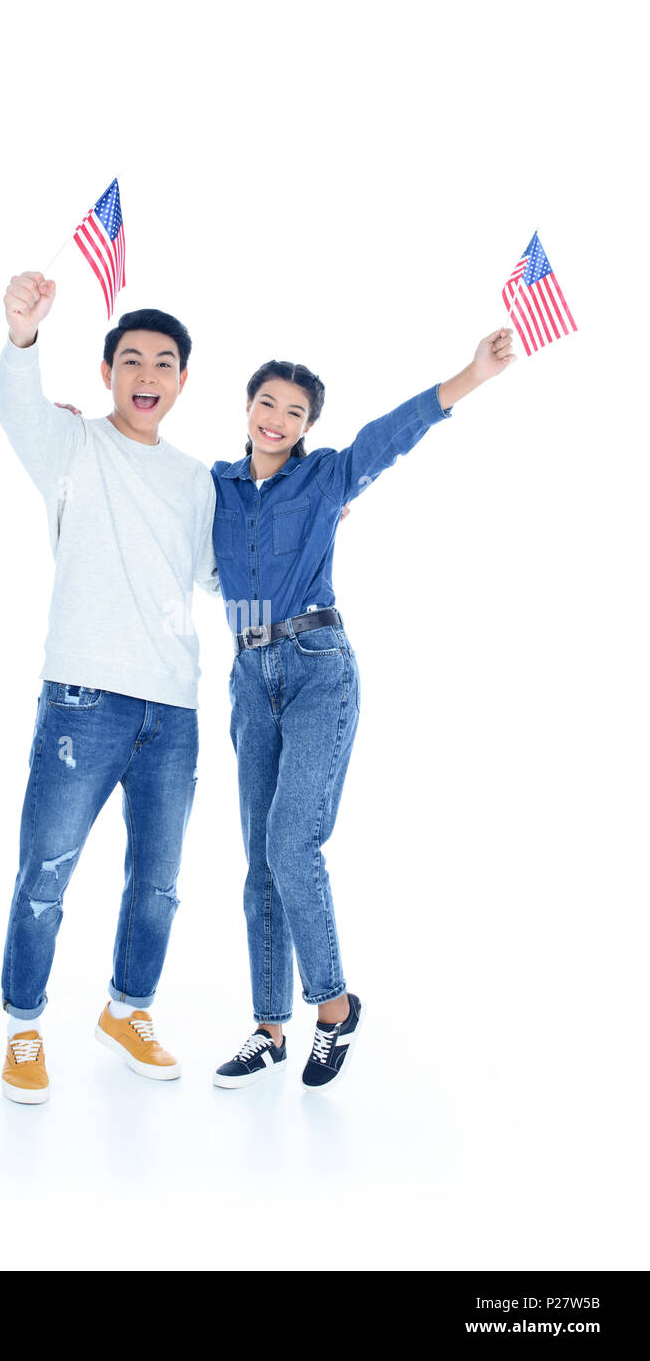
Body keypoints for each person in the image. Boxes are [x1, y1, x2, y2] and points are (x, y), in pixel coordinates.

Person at [209, 329, 516, 1092]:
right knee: (259, 864)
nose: (276, 418)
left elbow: (394, 434)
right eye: (266, 403)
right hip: (248, 674)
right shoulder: (212, 485)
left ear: (308, 423)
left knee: (290, 843)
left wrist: (470, 374)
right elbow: (151, 505)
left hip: (317, 667)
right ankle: (269, 1030)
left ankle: (335, 1007)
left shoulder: (325, 479)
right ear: (246, 408)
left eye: (293, 410)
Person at [0, 271, 220, 1103]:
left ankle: (129, 1010)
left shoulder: (196, 479)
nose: (147, 375)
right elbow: (17, 410)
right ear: (107, 373)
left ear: (182, 380)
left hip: (174, 709)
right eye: (132, 360)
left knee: (157, 883)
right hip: (82, 700)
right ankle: (23, 1026)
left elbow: (217, 575)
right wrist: (23, 334)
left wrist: (305, 522)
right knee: (45, 873)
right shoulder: (73, 444)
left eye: (164, 362)